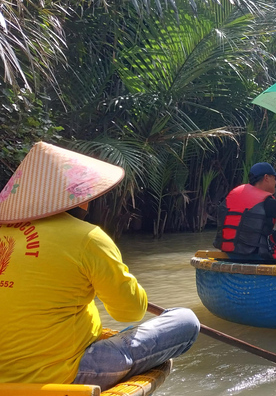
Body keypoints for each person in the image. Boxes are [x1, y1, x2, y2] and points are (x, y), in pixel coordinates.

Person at [0, 142, 200, 389]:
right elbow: (129, 312)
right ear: (79, 197)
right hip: (64, 374)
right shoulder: (87, 237)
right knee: (186, 319)